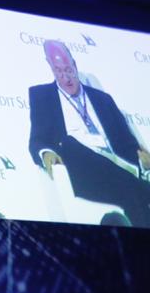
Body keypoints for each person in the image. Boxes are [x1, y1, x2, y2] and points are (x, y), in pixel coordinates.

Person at [28, 39, 150, 226]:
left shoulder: (103, 99)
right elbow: (36, 140)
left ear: (75, 65)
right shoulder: (42, 96)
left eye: (68, 70)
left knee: (129, 192)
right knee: (69, 143)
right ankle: (143, 189)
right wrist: (46, 153)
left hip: (117, 166)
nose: (66, 77)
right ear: (51, 68)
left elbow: (126, 141)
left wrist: (142, 160)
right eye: (58, 71)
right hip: (82, 169)